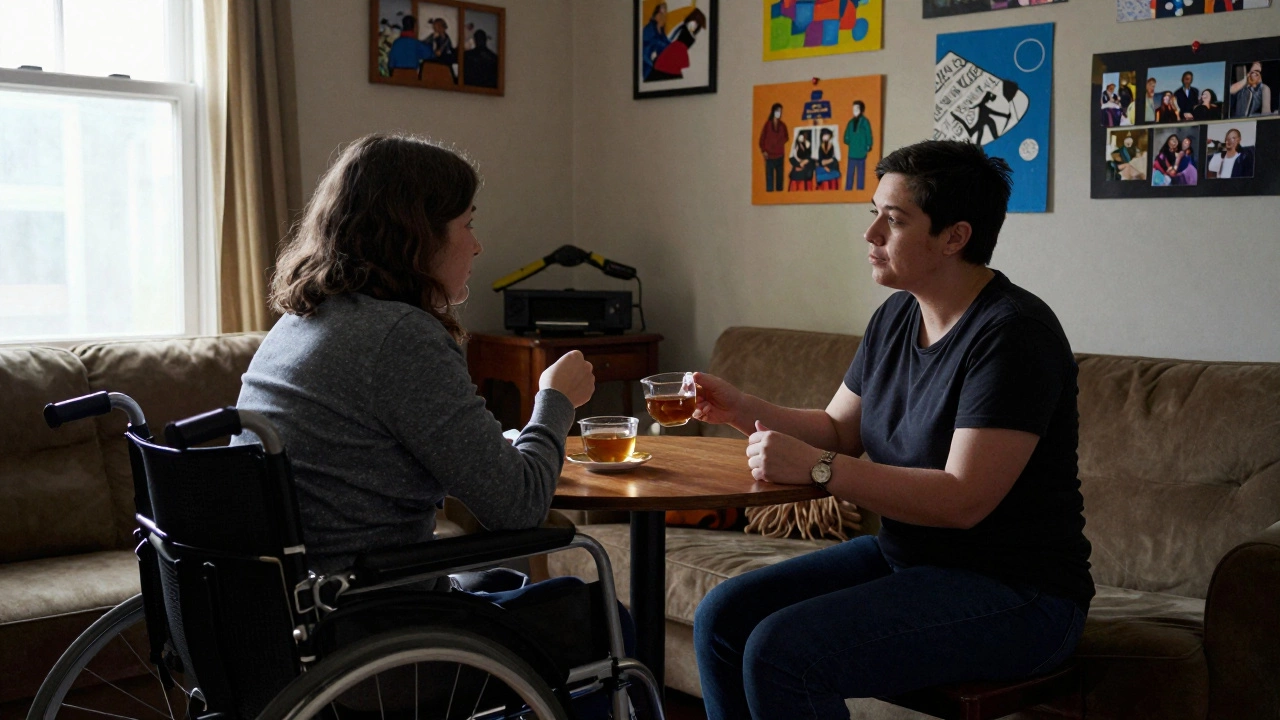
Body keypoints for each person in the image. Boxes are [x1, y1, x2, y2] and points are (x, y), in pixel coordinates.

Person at [232, 136, 634, 717]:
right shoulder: (400, 336)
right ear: (417, 235)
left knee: (497, 580)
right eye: (466, 224)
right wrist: (554, 401)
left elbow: (370, 458)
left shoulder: (299, 324)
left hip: (289, 624)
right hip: (373, 640)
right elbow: (518, 508)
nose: (477, 244)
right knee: (600, 617)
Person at [692, 140, 1092, 719]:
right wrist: (739, 408)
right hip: (910, 559)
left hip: (1021, 595)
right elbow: (835, 429)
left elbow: (962, 500)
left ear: (955, 237)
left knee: (784, 650)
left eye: (895, 219)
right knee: (724, 616)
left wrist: (819, 471)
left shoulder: (1013, 335)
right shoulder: (898, 313)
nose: (871, 233)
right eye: (873, 212)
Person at [648, 8, 706, 81]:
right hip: (678, 50)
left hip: (676, 49)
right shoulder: (692, 24)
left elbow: (673, 37)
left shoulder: (686, 26)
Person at [844, 100, 874, 191]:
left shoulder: (865, 122)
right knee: (850, 173)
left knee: (860, 173)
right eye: (853, 108)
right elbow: (846, 136)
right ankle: (848, 189)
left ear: (861, 109)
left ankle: (860, 189)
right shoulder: (850, 122)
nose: (854, 110)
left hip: (861, 152)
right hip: (852, 151)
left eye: (856, 108)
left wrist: (868, 145)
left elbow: (869, 134)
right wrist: (848, 140)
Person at [759, 103, 788, 193]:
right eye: (777, 111)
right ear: (773, 111)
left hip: (780, 156)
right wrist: (764, 151)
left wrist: (778, 143)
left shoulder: (782, 125)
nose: (779, 113)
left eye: (780, 111)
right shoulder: (767, 125)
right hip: (769, 157)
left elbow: (786, 137)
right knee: (770, 182)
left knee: (780, 182)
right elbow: (761, 139)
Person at [641, 2, 670, 81]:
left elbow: (667, 43)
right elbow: (653, 44)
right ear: (656, 15)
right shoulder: (649, 28)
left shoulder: (661, 30)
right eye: (661, 14)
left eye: (665, 14)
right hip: (649, 66)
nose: (663, 17)